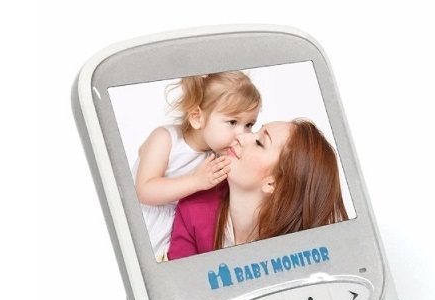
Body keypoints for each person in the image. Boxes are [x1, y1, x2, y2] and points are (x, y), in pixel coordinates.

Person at [167, 119, 348, 260]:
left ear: (273, 184)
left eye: (260, 142)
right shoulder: (192, 207)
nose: (240, 136)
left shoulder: (300, 255)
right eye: (255, 131)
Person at [132, 72, 261, 260]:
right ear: (197, 118)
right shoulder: (165, 139)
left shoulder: (220, 153)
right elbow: (144, 191)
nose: (242, 134)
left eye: (249, 125)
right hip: (144, 225)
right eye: (232, 122)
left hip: (177, 234)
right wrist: (195, 181)